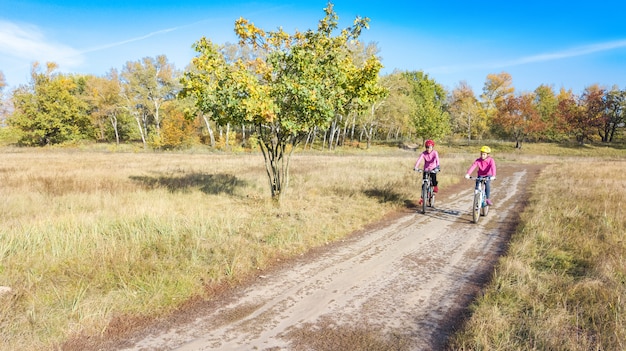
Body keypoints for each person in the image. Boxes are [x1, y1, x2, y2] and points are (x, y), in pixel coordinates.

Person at [414, 139, 440, 205]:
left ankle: (435, 186)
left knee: (433, 178)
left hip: (433, 168)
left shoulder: (435, 153)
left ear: (432, 147)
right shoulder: (423, 153)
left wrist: (437, 167)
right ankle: (422, 198)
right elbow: (419, 160)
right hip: (426, 169)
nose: (428, 149)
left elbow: (437, 160)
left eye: (430, 147)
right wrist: (416, 167)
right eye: (427, 147)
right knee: (424, 183)